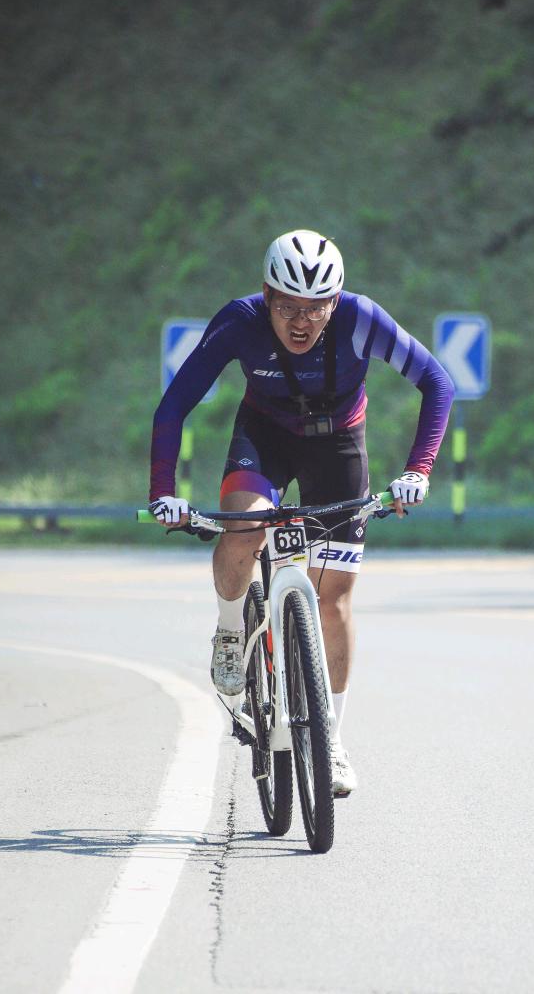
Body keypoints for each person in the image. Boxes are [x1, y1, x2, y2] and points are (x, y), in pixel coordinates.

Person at [148, 229, 455, 796]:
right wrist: (162, 490)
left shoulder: (362, 319)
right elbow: (174, 406)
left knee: (333, 599)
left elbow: (437, 382)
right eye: (288, 306)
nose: (301, 321)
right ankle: (228, 630)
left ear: (336, 302)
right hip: (264, 438)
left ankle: (332, 742)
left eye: (316, 308)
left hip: (339, 445)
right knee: (243, 529)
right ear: (266, 294)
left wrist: (418, 470)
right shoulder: (239, 322)